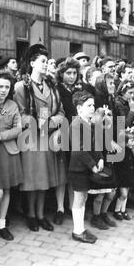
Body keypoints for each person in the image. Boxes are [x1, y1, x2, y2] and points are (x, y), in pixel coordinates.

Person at [13, 44, 67, 232]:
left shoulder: (52, 86)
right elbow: (18, 114)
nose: (46, 65)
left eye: (46, 61)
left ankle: (41, 214)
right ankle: (31, 215)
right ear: (32, 63)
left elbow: (61, 111)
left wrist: (51, 121)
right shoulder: (22, 87)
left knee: (44, 179)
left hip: (48, 137)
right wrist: (36, 121)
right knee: (33, 178)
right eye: (42, 61)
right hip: (31, 138)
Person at [0, 71, 23, 241]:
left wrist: (2, 135)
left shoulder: (13, 105)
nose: (3, 90)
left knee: (6, 190)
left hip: (8, 151)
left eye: (7, 87)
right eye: (0, 86)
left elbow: (18, 128)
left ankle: (1, 224)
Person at [69, 90, 103, 244]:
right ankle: (77, 231)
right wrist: (93, 166)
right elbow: (79, 150)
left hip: (86, 167)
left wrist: (101, 158)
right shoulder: (76, 124)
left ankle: (81, 228)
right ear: (79, 108)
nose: (92, 108)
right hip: (78, 168)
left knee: (83, 197)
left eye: (93, 105)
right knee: (79, 197)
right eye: (88, 105)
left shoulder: (89, 123)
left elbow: (95, 145)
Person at [55, 57, 81, 224]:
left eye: (74, 73)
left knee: (74, 172)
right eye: (68, 73)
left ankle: (73, 207)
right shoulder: (57, 89)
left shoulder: (81, 89)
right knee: (61, 173)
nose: (72, 76)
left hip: (78, 134)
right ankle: (59, 208)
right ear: (62, 74)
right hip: (62, 132)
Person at [113, 127, 134, 221]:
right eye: (131, 140)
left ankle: (123, 210)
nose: (133, 143)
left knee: (126, 193)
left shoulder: (131, 150)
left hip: (129, 174)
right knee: (123, 193)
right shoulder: (121, 150)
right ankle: (117, 210)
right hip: (122, 176)